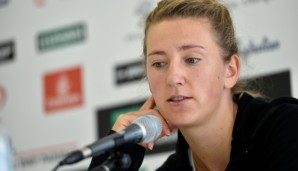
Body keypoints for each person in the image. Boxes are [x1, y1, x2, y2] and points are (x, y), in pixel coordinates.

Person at [88, 0, 298, 170]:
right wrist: (120, 151)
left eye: (192, 59)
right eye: (159, 63)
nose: (173, 77)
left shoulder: (287, 128)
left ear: (230, 70)